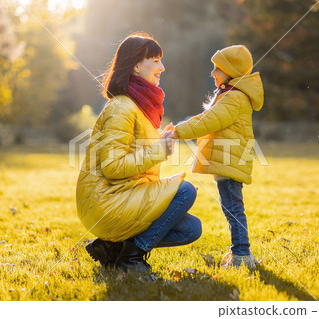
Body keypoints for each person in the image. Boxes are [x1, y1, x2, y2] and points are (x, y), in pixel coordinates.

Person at [76, 33, 202, 273]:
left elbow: (137, 156)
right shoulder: (121, 108)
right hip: (105, 202)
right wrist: (157, 152)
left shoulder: (138, 108)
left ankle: (111, 249)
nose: (162, 67)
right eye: (155, 60)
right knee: (184, 191)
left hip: (125, 195)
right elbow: (113, 168)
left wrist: (159, 143)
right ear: (135, 65)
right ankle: (131, 259)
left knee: (191, 228)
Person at [172, 45, 264, 271]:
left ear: (231, 71)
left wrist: (177, 132)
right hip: (227, 161)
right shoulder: (229, 95)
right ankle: (241, 252)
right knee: (232, 208)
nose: (212, 72)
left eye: (217, 68)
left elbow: (207, 122)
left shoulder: (234, 98)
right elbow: (206, 117)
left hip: (229, 162)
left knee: (233, 209)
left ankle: (242, 255)